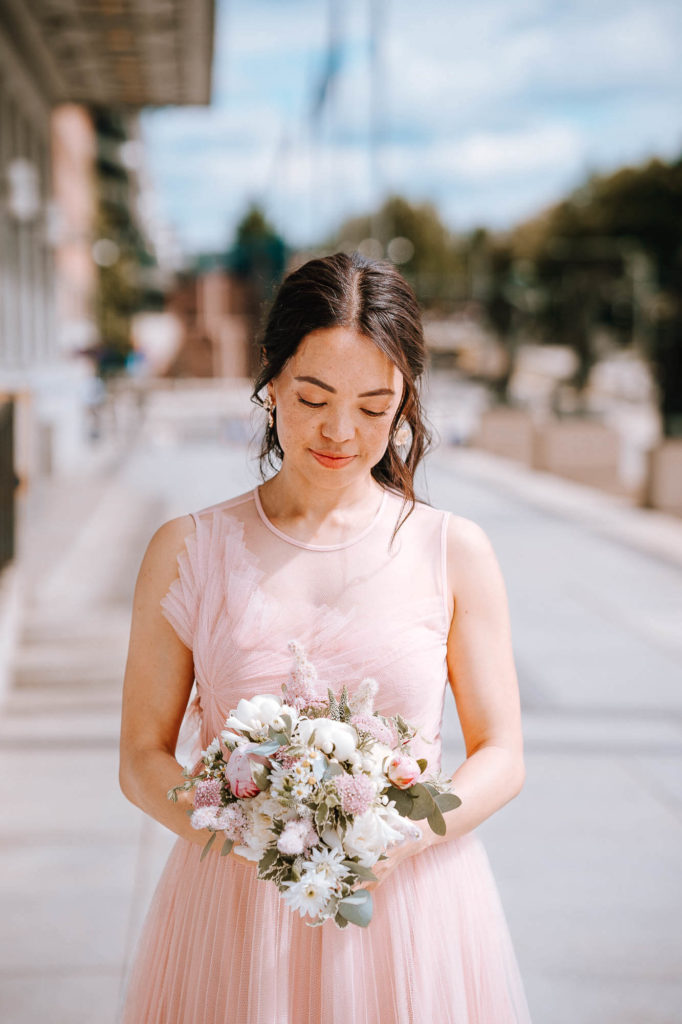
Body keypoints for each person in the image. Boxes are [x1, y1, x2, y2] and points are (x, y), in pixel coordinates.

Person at [118, 251, 532, 1023]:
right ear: (271, 382)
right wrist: (252, 832)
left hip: (411, 906)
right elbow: (141, 757)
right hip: (235, 910)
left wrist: (398, 835)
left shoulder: (453, 550)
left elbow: (501, 753)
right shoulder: (187, 549)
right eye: (313, 398)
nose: (341, 431)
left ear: (405, 401)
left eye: (375, 408)